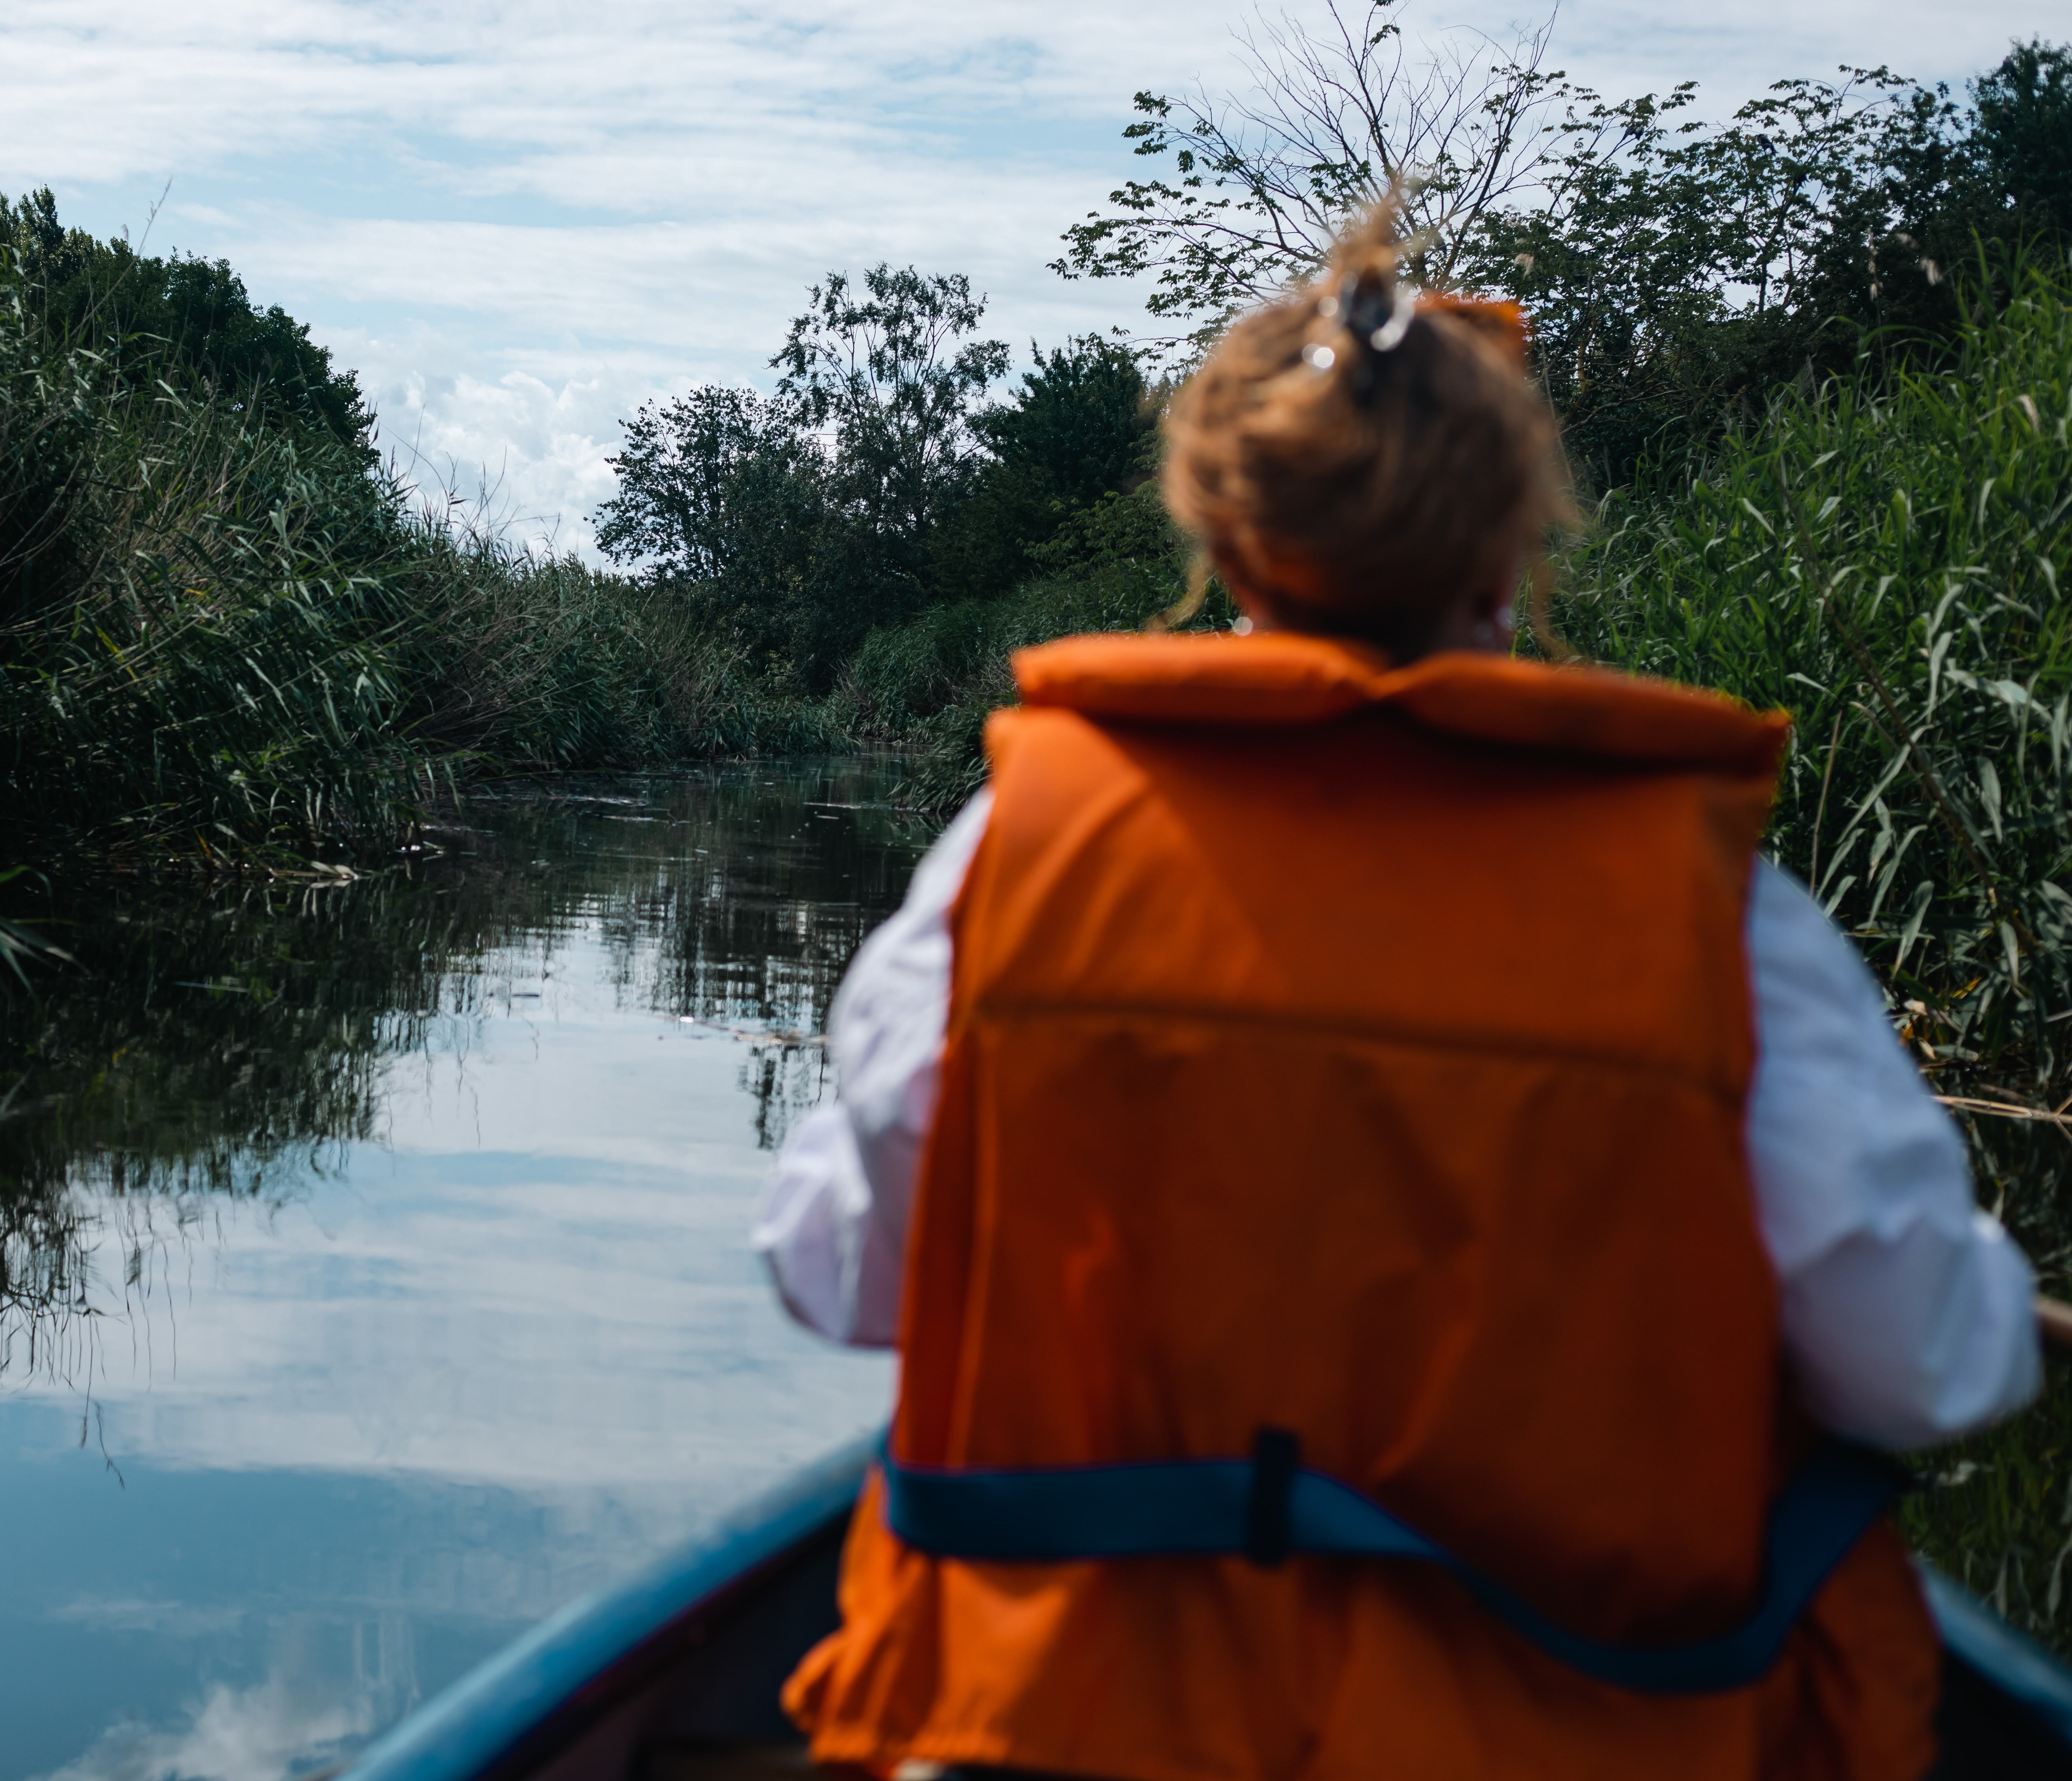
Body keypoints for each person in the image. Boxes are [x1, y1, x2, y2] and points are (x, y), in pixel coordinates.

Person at [752, 206, 2040, 1781]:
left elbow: (840, 1277)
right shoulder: (1716, 910)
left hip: (1067, 1730)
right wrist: (1987, 1289)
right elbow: (1918, 1365)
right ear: (1511, 535)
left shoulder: (1017, 853)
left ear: (1225, 535)